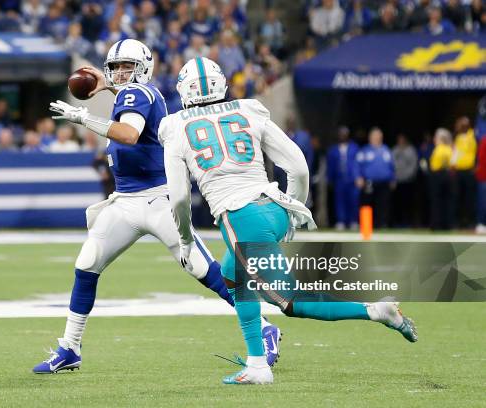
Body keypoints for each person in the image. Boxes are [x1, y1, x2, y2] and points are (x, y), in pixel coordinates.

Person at [159, 57, 417, 385]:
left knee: (290, 301)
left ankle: (375, 311)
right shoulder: (248, 110)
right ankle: (256, 360)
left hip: (241, 216)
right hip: (275, 207)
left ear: (184, 91)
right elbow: (298, 167)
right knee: (231, 273)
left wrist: (184, 239)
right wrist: (293, 209)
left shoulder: (175, 126)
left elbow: (179, 198)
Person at [33, 39, 281, 374]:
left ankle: (265, 326)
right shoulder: (136, 94)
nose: (121, 73)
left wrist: (82, 117)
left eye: (128, 67)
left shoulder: (139, 94)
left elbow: (129, 134)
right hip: (125, 201)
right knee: (87, 263)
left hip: (157, 198)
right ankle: (70, 347)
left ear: (144, 68)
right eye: (116, 67)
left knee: (201, 267)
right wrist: (108, 88)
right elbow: (129, 107)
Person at [356, 127, 395, 228]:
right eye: (375, 136)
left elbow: (392, 166)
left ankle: (382, 224)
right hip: (369, 182)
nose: (377, 138)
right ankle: (366, 225)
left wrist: (393, 179)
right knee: (367, 204)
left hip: (384, 183)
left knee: (383, 205)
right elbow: (357, 165)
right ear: (370, 137)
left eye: (379, 136)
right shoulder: (364, 151)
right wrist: (358, 177)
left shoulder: (386, 150)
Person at [327, 126, 360, 230]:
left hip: (352, 179)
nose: (343, 136)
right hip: (339, 179)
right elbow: (330, 165)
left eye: (344, 134)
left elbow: (358, 164)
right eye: (341, 134)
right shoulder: (333, 150)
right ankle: (341, 220)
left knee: (353, 200)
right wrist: (329, 179)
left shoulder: (354, 148)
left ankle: (353, 221)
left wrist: (359, 176)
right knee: (339, 201)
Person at [429, 128, 454, 230]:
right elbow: (453, 163)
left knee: (436, 200)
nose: (434, 139)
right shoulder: (449, 149)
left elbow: (433, 165)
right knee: (447, 200)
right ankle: (447, 224)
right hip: (448, 175)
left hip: (438, 176)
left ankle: (436, 224)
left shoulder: (438, 149)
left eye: (436, 137)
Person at [392, 133, 418, 227]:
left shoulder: (411, 150)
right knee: (397, 203)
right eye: (399, 139)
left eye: (402, 139)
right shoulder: (394, 150)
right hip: (397, 181)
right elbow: (391, 165)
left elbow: (413, 165)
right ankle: (397, 222)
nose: (401, 141)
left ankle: (408, 222)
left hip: (408, 181)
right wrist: (394, 177)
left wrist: (406, 176)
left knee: (408, 203)